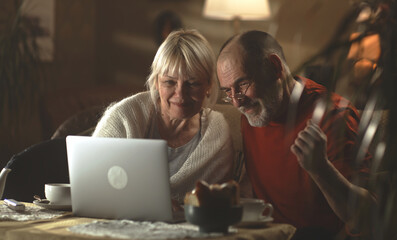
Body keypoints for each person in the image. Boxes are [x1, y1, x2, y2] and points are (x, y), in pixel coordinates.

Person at [216, 30, 375, 237]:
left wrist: (321, 169)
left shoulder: (334, 116)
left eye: (243, 84)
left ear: (275, 68)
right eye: (228, 91)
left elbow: (369, 216)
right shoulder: (251, 116)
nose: (237, 101)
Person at [92, 29, 234, 203]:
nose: (180, 94)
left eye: (193, 83)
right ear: (156, 83)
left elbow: (217, 204)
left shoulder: (217, 134)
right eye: (170, 82)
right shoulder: (124, 117)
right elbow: (93, 184)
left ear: (209, 86)